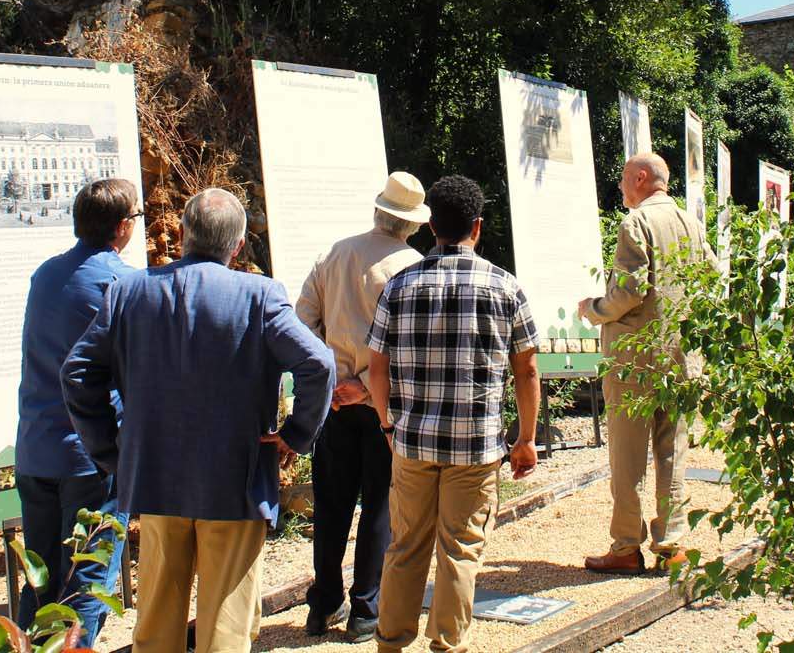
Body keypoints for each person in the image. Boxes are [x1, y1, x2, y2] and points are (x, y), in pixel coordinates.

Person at [61, 188, 335, 653]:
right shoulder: (259, 295)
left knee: (157, 616)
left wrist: (110, 450)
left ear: (184, 234)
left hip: (156, 476)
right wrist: (294, 436)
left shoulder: (130, 291)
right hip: (234, 481)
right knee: (225, 621)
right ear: (239, 245)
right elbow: (318, 365)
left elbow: (78, 371)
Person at [367, 175, 540, 653]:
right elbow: (526, 370)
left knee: (404, 547)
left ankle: (390, 642)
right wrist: (525, 438)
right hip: (476, 445)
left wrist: (387, 423)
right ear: (478, 228)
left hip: (412, 441)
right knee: (460, 550)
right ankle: (447, 644)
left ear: (431, 228)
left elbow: (376, 369)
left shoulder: (399, 286)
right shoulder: (505, 287)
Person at [295, 172, 431, 642]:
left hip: (333, 403)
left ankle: (323, 605)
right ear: (411, 224)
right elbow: (411, 347)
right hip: (384, 407)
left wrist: (333, 378)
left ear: (378, 210)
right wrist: (368, 390)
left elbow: (302, 322)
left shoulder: (335, 253)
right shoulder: (412, 267)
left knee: (331, 506)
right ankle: (365, 611)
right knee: (379, 505)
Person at [578, 152, 718, 574]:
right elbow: (712, 276)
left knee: (627, 457)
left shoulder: (635, 223)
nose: (621, 189)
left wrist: (594, 308)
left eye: (623, 180)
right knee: (672, 451)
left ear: (640, 178)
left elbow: (629, 293)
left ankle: (625, 547)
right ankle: (672, 543)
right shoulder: (692, 225)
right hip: (680, 358)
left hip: (634, 360)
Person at [13, 178, 139, 646]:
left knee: (40, 579)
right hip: (90, 456)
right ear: (123, 226)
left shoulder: (45, 274)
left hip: (36, 448)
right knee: (88, 580)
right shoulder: (121, 283)